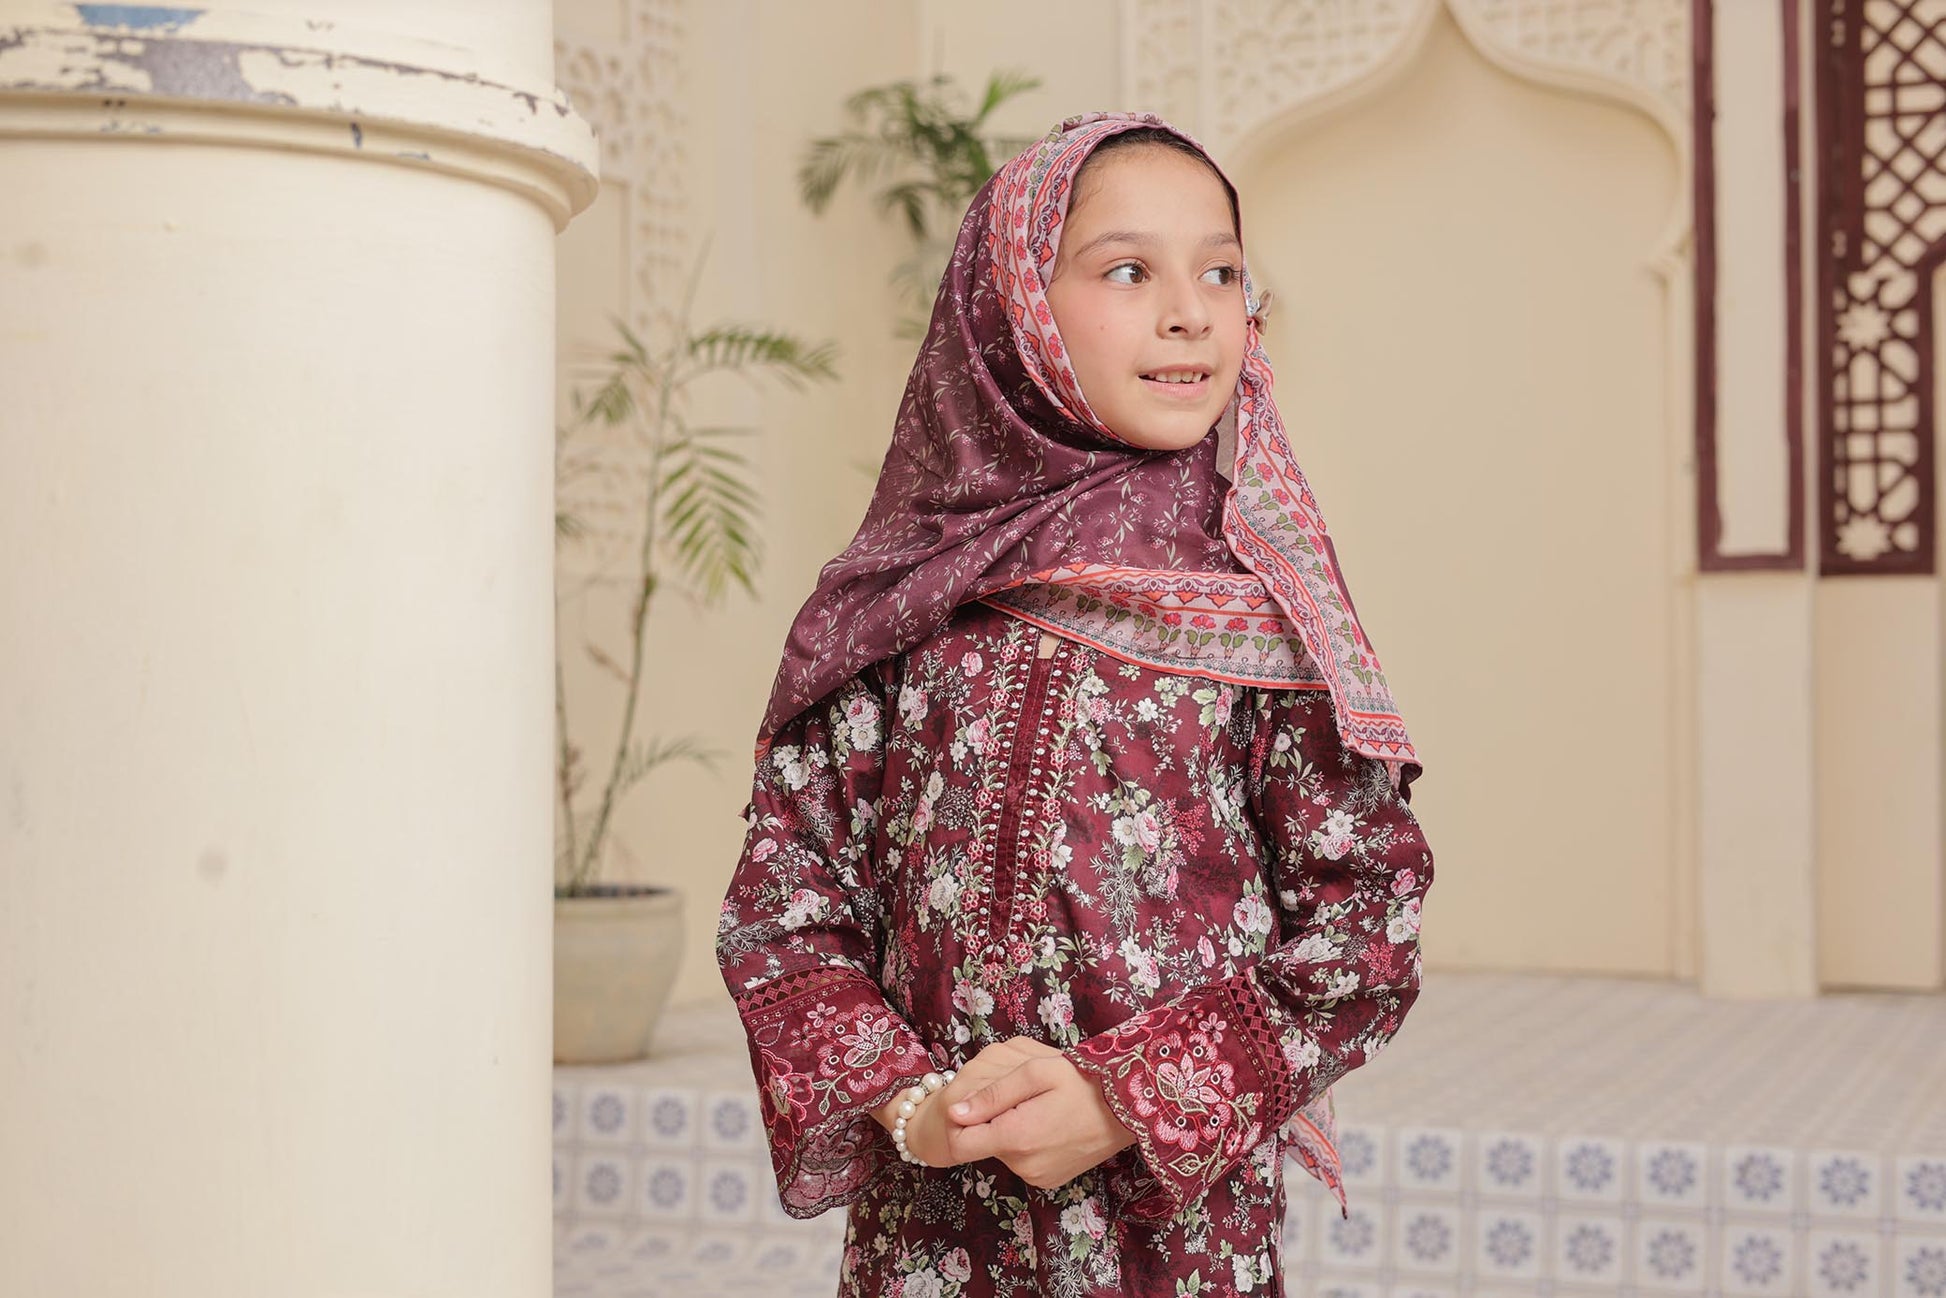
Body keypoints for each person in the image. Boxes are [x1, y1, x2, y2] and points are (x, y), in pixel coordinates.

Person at [716, 110, 1434, 1297]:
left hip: (1170, 1237)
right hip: (927, 1234)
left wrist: (1121, 1096)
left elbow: (1367, 924)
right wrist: (909, 1108)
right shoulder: (903, 596)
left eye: (1219, 270)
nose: (1189, 310)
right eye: (1127, 270)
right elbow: (782, 910)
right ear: (1013, 306)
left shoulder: (1262, 599)